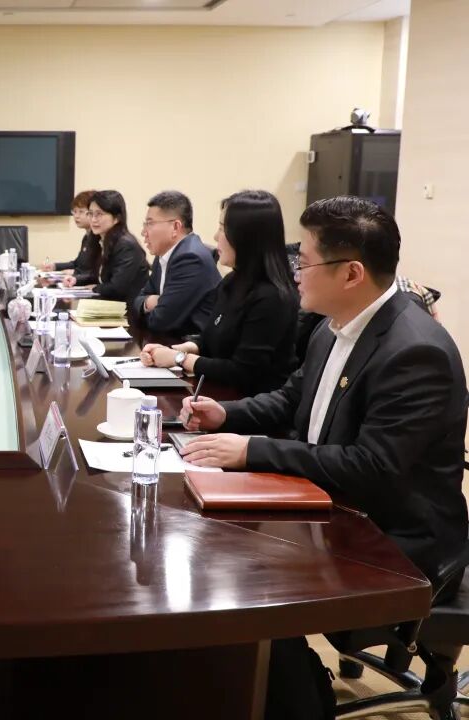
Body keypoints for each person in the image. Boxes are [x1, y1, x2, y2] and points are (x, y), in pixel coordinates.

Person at [180, 197, 468, 719]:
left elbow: (371, 467)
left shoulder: (414, 351)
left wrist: (252, 450)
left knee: (244, 586)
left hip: (394, 536)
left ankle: (294, 693)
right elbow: (293, 398)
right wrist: (227, 415)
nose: (295, 273)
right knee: (213, 549)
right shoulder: (333, 325)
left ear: (351, 273)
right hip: (334, 503)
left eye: (305, 261)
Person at [140, 190, 299, 395]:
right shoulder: (232, 281)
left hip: (250, 403)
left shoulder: (272, 296)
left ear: (246, 236)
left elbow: (243, 371)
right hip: (220, 395)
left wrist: (180, 359)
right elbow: (213, 339)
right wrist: (183, 349)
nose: (215, 237)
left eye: (223, 229)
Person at [131, 190, 221, 335]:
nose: (143, 232)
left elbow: (160, 321)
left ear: (175, 227)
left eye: (150, 224)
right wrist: (149, 302)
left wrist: (149, 307)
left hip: (188, 344)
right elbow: (137, 301)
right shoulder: (164, 254)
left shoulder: (190, 259)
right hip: (167, 341)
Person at [83, 190, 150, 304]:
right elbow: (96, 276)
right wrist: (75, 280)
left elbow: (117, 288)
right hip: (110, 305)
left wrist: (95, 288)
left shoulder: (126, 245)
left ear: (116, 218)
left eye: (99, 214)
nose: (93, 219)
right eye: (90, 213)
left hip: (127, 309)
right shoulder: (99, 241)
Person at [40, 189, 99, 287]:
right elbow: (78, 263)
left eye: (81, 211)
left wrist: (74, 273)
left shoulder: (98, 239)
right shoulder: (87, 237)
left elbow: (93, 272)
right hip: (79, 281)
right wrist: (54, 266)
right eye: (74, 211)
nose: (76, 216)